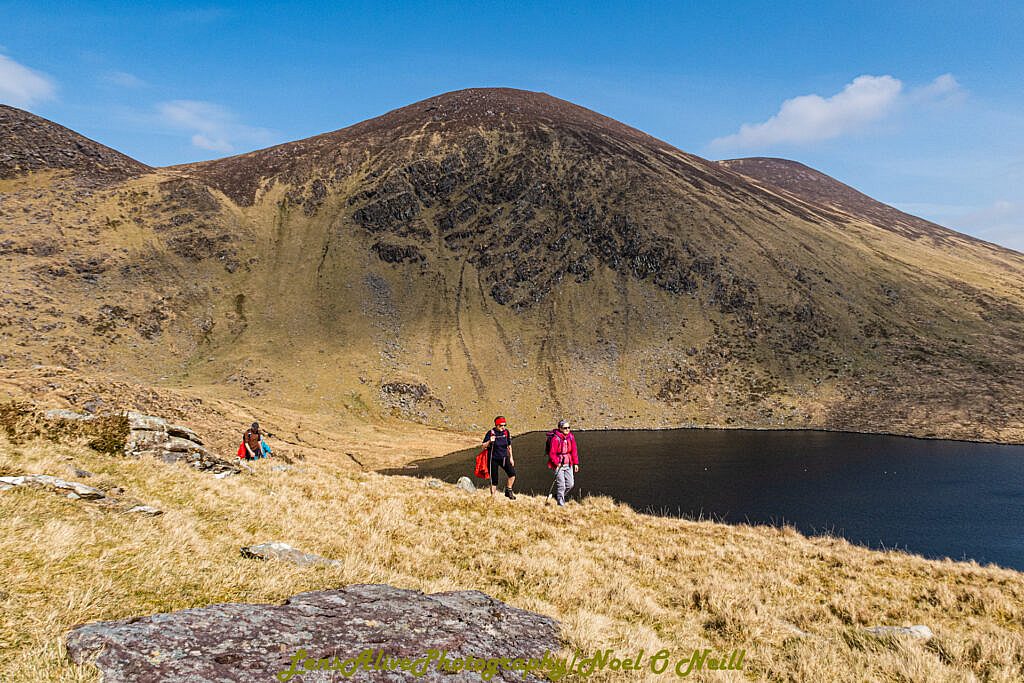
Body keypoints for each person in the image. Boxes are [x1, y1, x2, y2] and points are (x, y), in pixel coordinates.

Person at [547, 419, 579, 506]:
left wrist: (576, 463)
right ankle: (561, 504)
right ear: (560, 428)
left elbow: (574, 451)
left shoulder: (571, 437)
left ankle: (557, 496)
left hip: (568, 463)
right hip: (558, 465)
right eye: (565, 428)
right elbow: (552, 453)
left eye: (569, 427)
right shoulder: (555, 439)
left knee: (570, 484)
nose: (567, 429)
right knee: (561, 485)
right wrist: (557, 462)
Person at [484, 416, 516, 500]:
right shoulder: (491, 433)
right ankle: (492, 496)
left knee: (512, 474)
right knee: (494, 479)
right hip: (493, 459)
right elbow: (483, 446)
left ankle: (508, 490)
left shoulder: (506, 433)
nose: (503, 427)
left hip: (504, 458)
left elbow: (509, 445)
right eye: (501, 425)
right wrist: (489, 441)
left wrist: (511, 458)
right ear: (496, 425)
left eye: (504, 425)